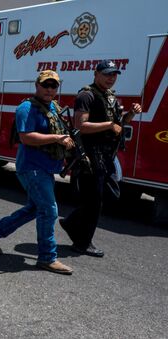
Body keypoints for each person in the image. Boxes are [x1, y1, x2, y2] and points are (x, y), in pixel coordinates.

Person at [0, 70, 75, 275]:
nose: (50, 89)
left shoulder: (54, 107)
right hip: (32, 168)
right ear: (37, 85)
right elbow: (26, 137)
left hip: (46, 168)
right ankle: (47, 258)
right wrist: (57, 138)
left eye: (54, 86)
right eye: (46, 85)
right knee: (49, 210)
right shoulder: (26, 108)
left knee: (35, 208)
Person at [59, 60, 142, 257]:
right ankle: (82, 243)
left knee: (110, 195)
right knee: (95, 202)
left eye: (114, 75)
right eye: (107, 74)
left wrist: (131, 114)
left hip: (106, 155)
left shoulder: (110, 96)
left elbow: (118, 123)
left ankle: (71, 222)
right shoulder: (86, 95)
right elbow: (81, 126)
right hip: (90, 155)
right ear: (96, 74)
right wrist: (108, 126)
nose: (111, 78)